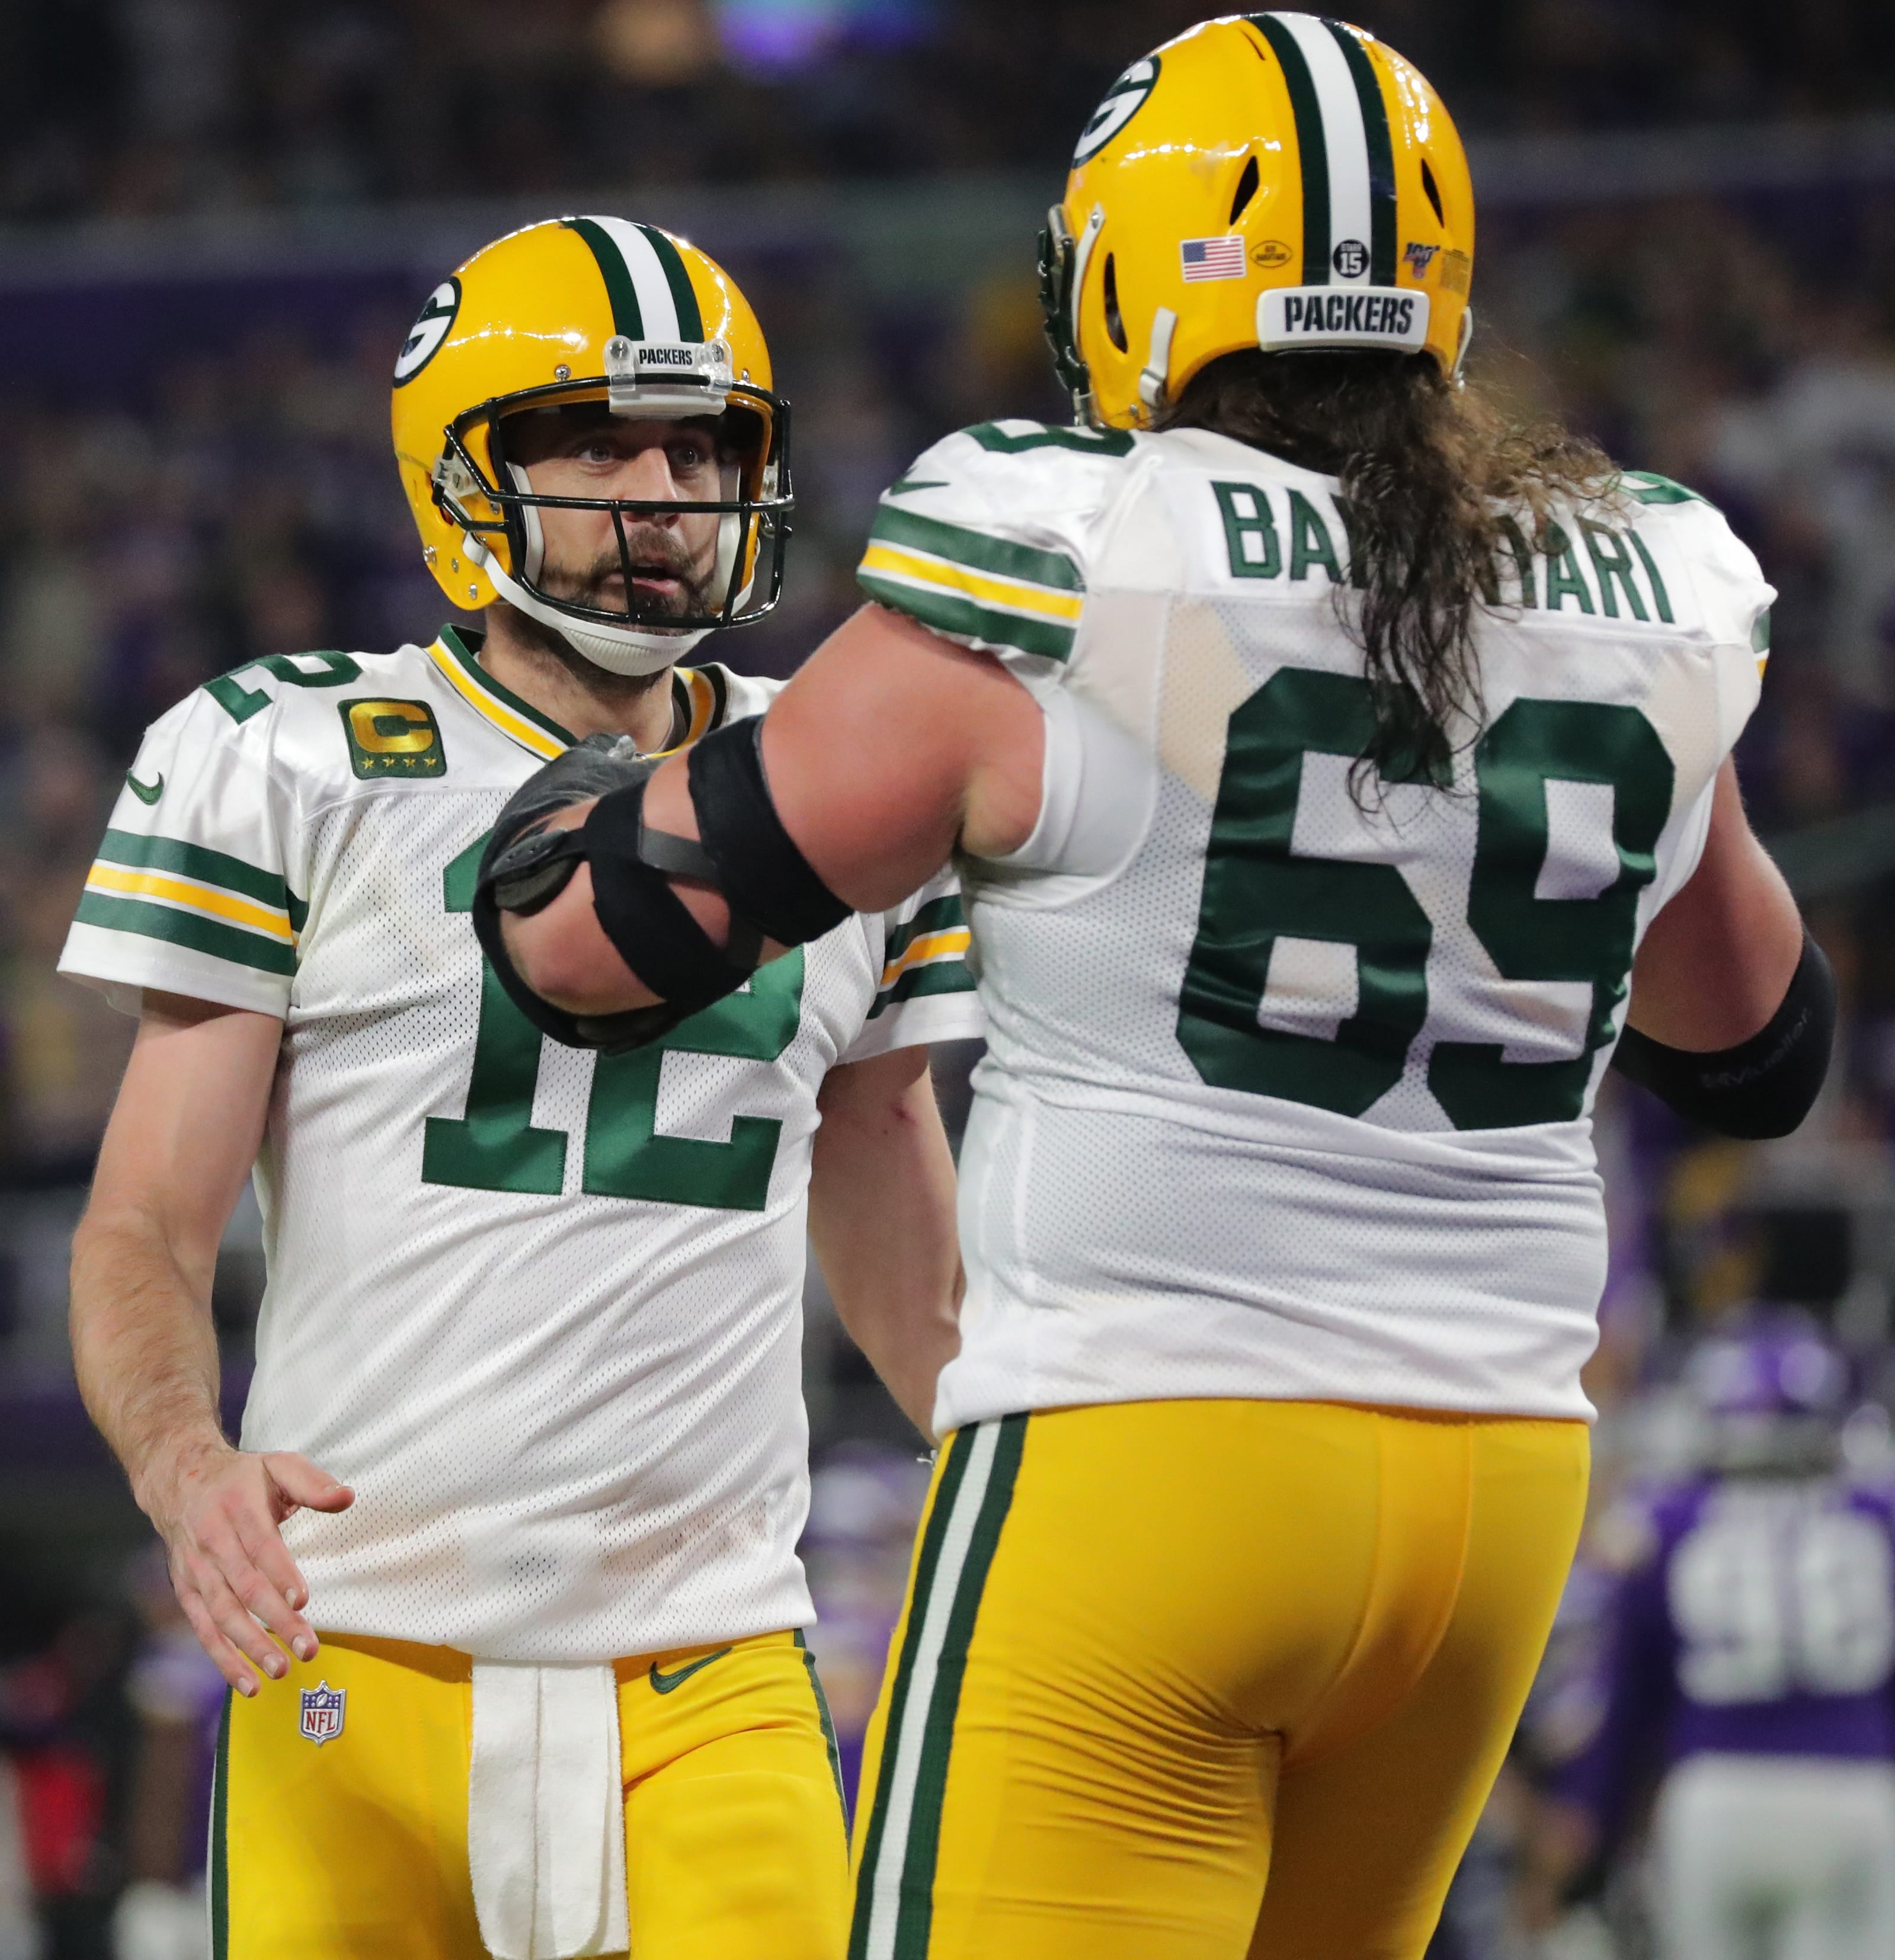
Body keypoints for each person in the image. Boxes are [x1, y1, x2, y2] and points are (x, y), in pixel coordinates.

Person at [484, 18, 1833, 1958]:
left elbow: (603, 940)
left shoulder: (1062, 546)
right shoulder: (1643, 570)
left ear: (1122, 271)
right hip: (1491, 1492)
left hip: (1147, 1450)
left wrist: (567, 805)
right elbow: (1756, 1048)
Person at [62, 216, 981, 1960]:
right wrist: (192, 1471)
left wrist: (1018, 1467)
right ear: (466, 478)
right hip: (356, 1650)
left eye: (701, 449)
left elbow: (890, 1189)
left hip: (711, 1661)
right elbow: (146, 1221)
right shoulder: (292, 751)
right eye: (601, 442)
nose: (662, 493)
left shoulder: (840, 769)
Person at [1555, 1315, 1895, 1960]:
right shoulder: (1878, 1516)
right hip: (1855, 1788)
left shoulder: (1671, 1519)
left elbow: (1632, 1694)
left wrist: (1595, 1821)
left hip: (1718, 1794)